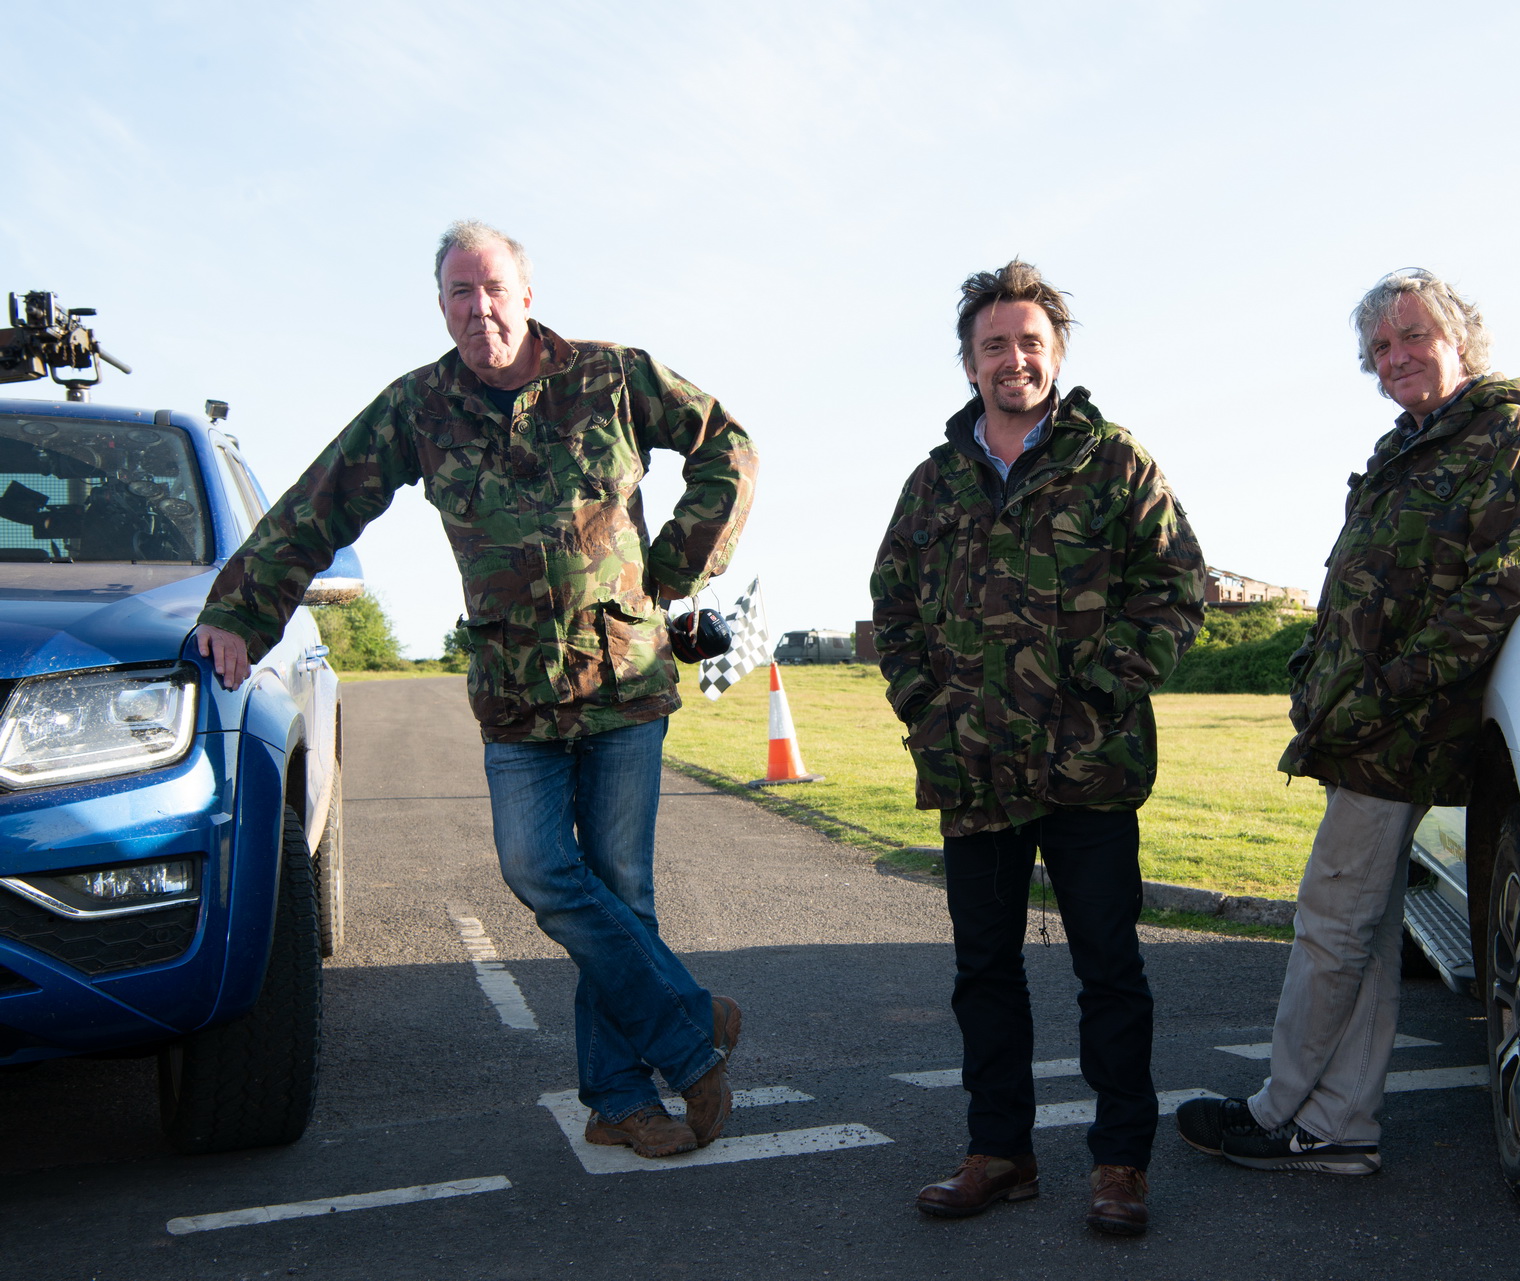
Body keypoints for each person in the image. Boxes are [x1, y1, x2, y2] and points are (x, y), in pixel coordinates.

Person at [193, 220, 757, 1160]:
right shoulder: (419, 407)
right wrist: (241, 612)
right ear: (443, 306)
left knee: (622, 890)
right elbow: (320, 500)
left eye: (492, 287)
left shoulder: (615, 376)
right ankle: (690, 1024)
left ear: (527, 293)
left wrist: (672, 567)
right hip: (516, 694)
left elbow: (727, 444)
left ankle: (620, 1096)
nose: (478, 307)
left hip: (624, 681)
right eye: (459, 292)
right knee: (538, 870)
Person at [1176, 268, 1520, 1177]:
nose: (1396, 358)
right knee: (1368, 928)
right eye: (1381, 347)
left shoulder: (1504, 433)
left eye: (1414, 336)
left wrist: (1394, 682)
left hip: (1405, 726)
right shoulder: (1411, 444)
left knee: (1331, 922)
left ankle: (1279, 1112)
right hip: (1368, 719)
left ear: (1459, 338)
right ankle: (1338, 1123)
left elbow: (1514, 574)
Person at [871, 260, 1205, 1236]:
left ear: (1056, 353)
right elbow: (893, 607)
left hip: (1090, 767)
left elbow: (1175, 587)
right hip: (972, 768)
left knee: (1109, 967)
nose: (1012, 358)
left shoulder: (1115, 463)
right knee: (984, 971)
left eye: (1029, 342)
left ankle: (1119, 1165)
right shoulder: (933, 483)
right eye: (993, 345)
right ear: (969, 362)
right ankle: (999, 1153)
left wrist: (1100, 697)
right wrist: (928, 715)